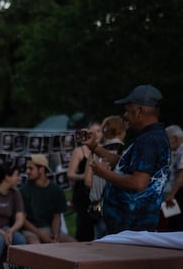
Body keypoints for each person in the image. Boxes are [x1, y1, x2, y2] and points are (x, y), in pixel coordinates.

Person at [83, 84, 170, 235]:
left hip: (130, 228)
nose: (125, 115)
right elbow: (123, 163)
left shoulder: (149, 140)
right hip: (127, 226)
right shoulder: (150, 136)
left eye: (128, 110)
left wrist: (104, 174)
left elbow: (138, 183)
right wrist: (95, 147)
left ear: (139, 111)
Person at [84, 116, 127, 239]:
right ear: (122, 131)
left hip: (96, 208)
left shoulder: (96, 151)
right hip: (116, 208)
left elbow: (87, 181)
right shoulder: (124, 151)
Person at [20, 154, 77, 244]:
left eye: (31, 168)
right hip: (31, 230)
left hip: (49, 228)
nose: (27, 171)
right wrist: (41, 234)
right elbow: (23, 220)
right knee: (35, 244)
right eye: (27, 168)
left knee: (73, 243)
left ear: (42, 169)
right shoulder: (23, 190)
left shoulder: (56, 190)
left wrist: (56, 235)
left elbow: (56, 216)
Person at [68, 121, 103, 241]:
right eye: (93, 132)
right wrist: (85, 176)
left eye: (99, 131)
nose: (96, 134)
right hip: (83, 193)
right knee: (84, 224)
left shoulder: (104, 150)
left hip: (99, 192)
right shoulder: (79, 151)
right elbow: (70, 174)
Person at [163, 125, 183, 231]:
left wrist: (172, 195)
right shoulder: (178, 151)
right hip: (178, 192)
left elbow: (182, 176)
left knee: (175, 225)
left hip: (180, 193)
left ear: (174, 138)